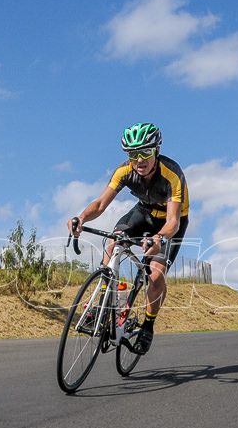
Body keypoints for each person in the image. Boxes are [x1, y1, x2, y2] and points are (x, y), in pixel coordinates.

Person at [68, 122, 189, 355]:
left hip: (169, 223)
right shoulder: (124, 171)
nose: (139, 159)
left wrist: (159, 238)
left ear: (157, 151)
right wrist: (82, 218)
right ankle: (101, 304)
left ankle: (147, 326)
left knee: (154, 277)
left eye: (145, 151)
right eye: (133, 154)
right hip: (142, 212)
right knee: (114, 240)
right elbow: (101, 204)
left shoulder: (172, 174)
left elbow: (173, 221)